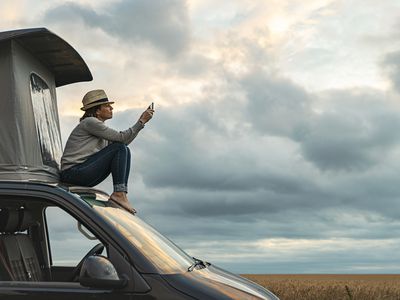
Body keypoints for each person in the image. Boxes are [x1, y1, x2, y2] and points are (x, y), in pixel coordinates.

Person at [60, 89, 154, 213]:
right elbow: (121, 140)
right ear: (97, 110)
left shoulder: (98, 128)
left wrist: (140, 125)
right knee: (120, 148)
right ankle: (119, 193)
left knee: (122, 148)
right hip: (72, 173)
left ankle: (121, 194)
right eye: (107, 106)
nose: (111, 108)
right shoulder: (90, 122)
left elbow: (122, 143)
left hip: (80, 172)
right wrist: (141, 122)